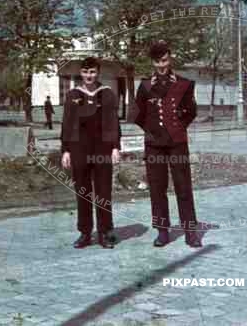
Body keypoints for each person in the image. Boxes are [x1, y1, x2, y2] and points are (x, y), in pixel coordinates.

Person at [134, 40, 202, 248]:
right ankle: (162, 231)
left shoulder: (184, 84)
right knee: (157, 188)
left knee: (183, 187)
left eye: (164, 60)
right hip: (154, 144)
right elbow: (138, 114)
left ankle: (190, 231)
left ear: (170, 58)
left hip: (177, 143)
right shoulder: (145, 85)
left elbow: (191, 111)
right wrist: (153, 130)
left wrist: (177, 128)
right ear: (152, 62)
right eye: (157, 62)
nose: (161, 66)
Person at [61, 57, 121, 249]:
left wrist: (115, 147)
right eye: (86, 72)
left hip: (102, 149)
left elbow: (113, 123)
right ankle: (85, 233)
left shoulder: (107, 94)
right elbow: (67, 124)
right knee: (83, 192)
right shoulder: (72, 95)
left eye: (93, 72)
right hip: (79, 149)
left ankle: (105, 232)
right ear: (81, 73)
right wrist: (66, 150)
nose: (89, 76)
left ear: (98, 72)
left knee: (103, 192)